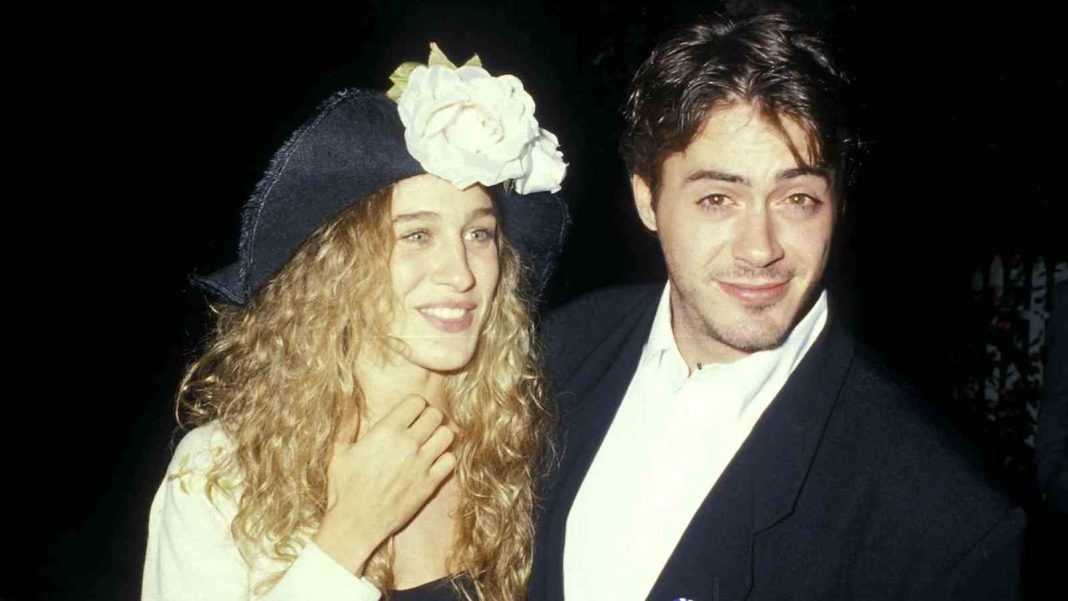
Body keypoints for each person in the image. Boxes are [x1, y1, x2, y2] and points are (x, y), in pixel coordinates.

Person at [530, 13, 1025, 601]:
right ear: (647, 199)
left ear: (838, 203)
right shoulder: (560, 348)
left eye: (797, 199)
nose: (761, 248)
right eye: (718, 199)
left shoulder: (944, 521)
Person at [142, 44, 569, 601]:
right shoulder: (222, 471)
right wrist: (348, 535)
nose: (461, 273)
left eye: (478, 234)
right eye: (417, 235)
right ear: (338, 267)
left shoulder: (515, 451)